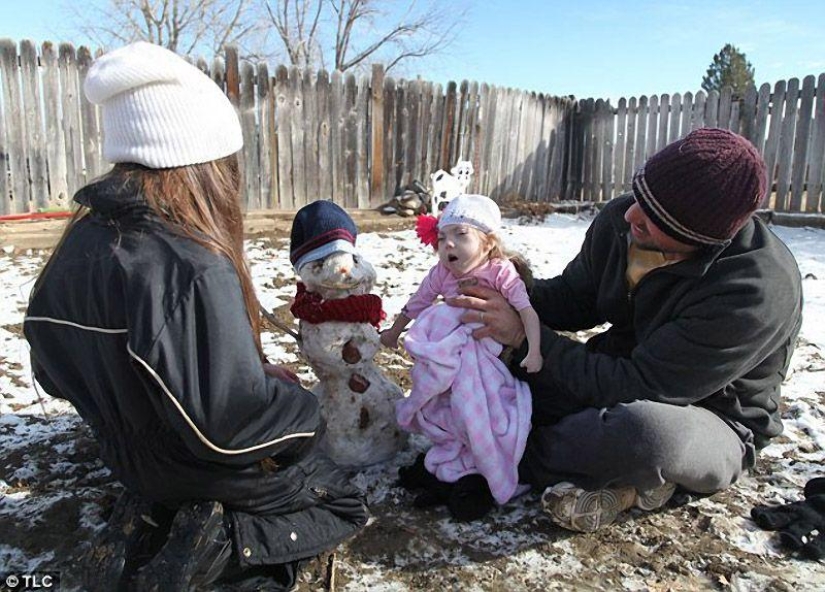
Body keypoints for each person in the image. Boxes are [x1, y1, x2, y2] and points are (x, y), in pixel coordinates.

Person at [23, 41, 368, 591]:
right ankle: (220, 552)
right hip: (190, 465)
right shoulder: (191, 263)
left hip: (123, 453)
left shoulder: (80, 239)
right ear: (203, 162)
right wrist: (303, 410)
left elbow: (49, 370)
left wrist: (238, 378)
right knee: (340, 500)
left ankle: (156, 518)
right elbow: (229, 429)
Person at [448, 128, 803, 533]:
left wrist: (525, 337)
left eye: (656, 217)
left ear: (699, 238)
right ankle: (622, 481)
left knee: (645, 435)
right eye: (640, 196)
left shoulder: (753, 291)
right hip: (618, 372)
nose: (632, 215)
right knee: (495, 374)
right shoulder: (626, 221)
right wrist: (507, 288)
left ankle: (505, 459)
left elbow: (639, 386)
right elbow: (575, 298)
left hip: (710, 418)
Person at [380, 194, 538, 521]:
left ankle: (481, 474)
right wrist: (395, 331)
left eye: (461, 235)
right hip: (449, 352)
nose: (448, 244)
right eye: (442, 238)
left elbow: (525, 310)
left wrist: (531, 347)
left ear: (488, 242)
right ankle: (445, 465)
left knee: (478, 411)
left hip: (487, 357)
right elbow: (418, 301)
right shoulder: (442, 273)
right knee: (443, 409)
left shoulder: (500, 271)